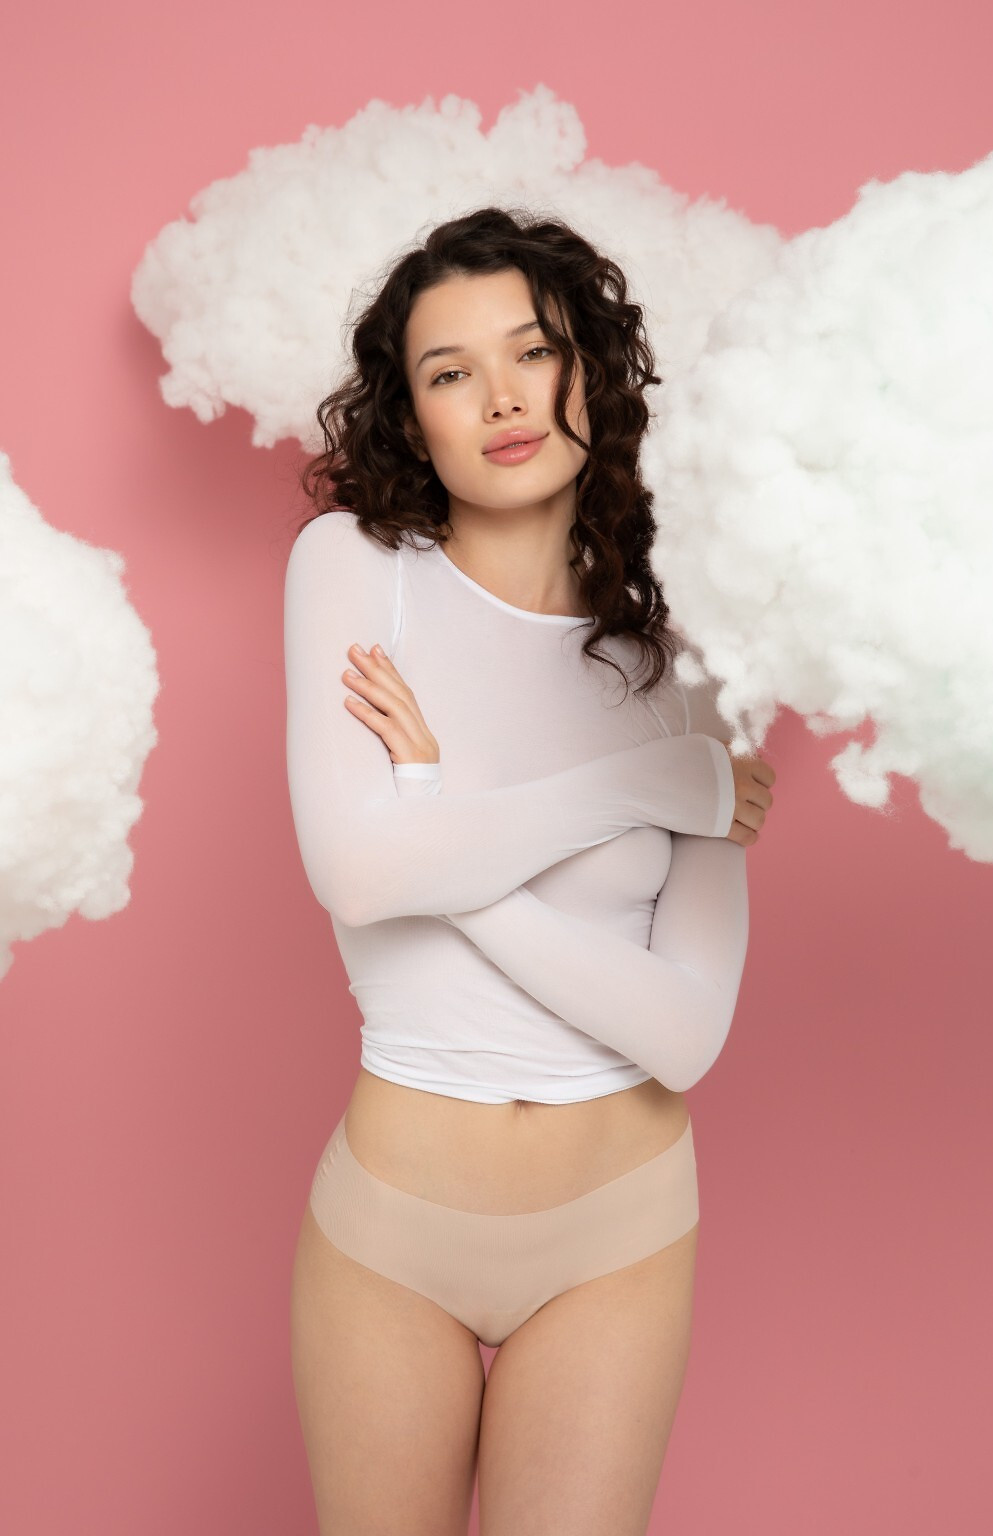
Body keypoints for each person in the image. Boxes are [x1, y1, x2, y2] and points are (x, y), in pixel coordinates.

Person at [284, 205, 775, 1536]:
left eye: (534, 351)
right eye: (450, 372)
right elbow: (356, 875)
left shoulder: (697, 644)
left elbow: (684, 1035)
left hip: (618, 1232)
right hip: (393, 1229)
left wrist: (438, 817)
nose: (501, 398)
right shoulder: (356, 572)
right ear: (411, 418)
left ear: (590, 372)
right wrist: (650, 788)